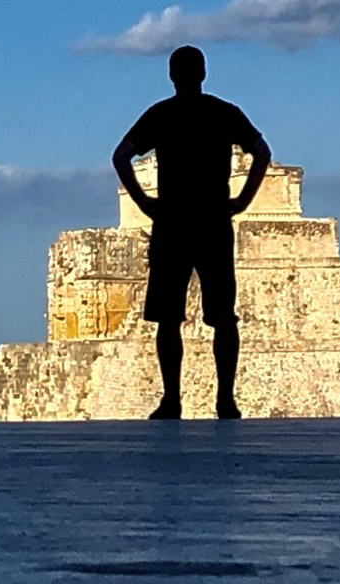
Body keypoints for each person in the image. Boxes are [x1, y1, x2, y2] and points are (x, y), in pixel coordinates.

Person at [112, 45, 271, 419]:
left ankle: (172, 400)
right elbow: (262, 151)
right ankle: (226, 400)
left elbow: (120, 155)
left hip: (172, 221)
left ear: (171, 75)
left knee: (168, 318)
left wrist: (143, 201)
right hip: (214, 219)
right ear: (204, 73)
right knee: (223, 316)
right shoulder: (225, 112)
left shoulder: (160, 114)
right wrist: (244, 198)